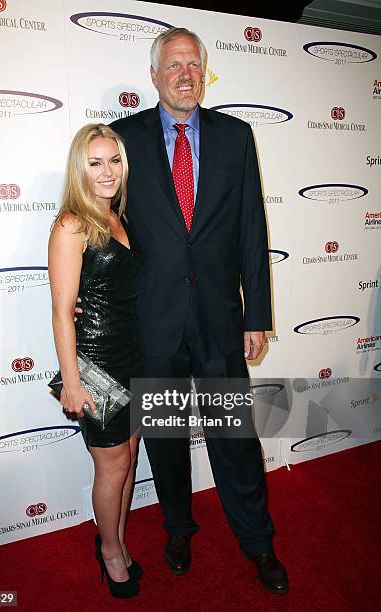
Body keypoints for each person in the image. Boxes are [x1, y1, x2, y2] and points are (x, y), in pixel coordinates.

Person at [108, 27, 289, 594]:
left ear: (204, 73)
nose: (185, 74)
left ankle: (257, 542)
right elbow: (107, 230)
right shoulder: (122, 138)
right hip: (151, 318)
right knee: (164, 436)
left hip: (218, 317)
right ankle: (178, 527)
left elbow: (251, 230)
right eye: (174, 65)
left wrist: (255, 313)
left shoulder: (236, 137)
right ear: (155, 76)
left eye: (194, 65)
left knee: (233, 437)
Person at [48, 124, 142, 599]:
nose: (108, 172)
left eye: (115, 161)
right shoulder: (72, 224)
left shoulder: (123, 217)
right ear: (80, 169)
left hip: (135, 353)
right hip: (96, 361)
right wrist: (71, 380)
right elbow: (63, 311)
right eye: (96, 162)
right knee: (112, 466)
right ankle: (108, 552)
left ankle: (118, 539)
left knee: (128, 458)